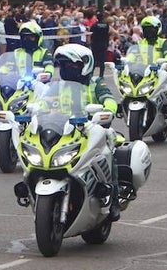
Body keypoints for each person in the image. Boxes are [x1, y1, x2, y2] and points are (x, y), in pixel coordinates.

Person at [50, 44, 125, 219]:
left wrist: (107, 111)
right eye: (64, 66)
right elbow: (44, 104)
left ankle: (112, 199)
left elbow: (109, 99)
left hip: (92, 129)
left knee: (109, 150)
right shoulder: (57, 86)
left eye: (72, 65)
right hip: (63, 130)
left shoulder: (95, 83)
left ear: (86, 65)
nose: (67, 69)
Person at [126, 15, 167, 125]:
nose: (149, 32)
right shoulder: (140, 42)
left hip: (160, 71)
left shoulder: (163, 42)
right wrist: (126, 61)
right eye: (146, 29)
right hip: (143, 72)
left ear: (157, 29)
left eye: (151, 29)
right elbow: (133, 54)